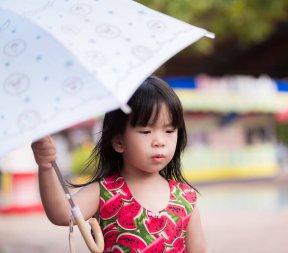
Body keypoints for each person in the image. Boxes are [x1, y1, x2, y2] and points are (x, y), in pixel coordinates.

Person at [32, 76, 209, 252]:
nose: (160, 141)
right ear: (119, 141)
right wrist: (46, 167)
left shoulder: (185, 198)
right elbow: (61, 214)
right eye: (146, 131)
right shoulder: (104, 193)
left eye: (169, 130)